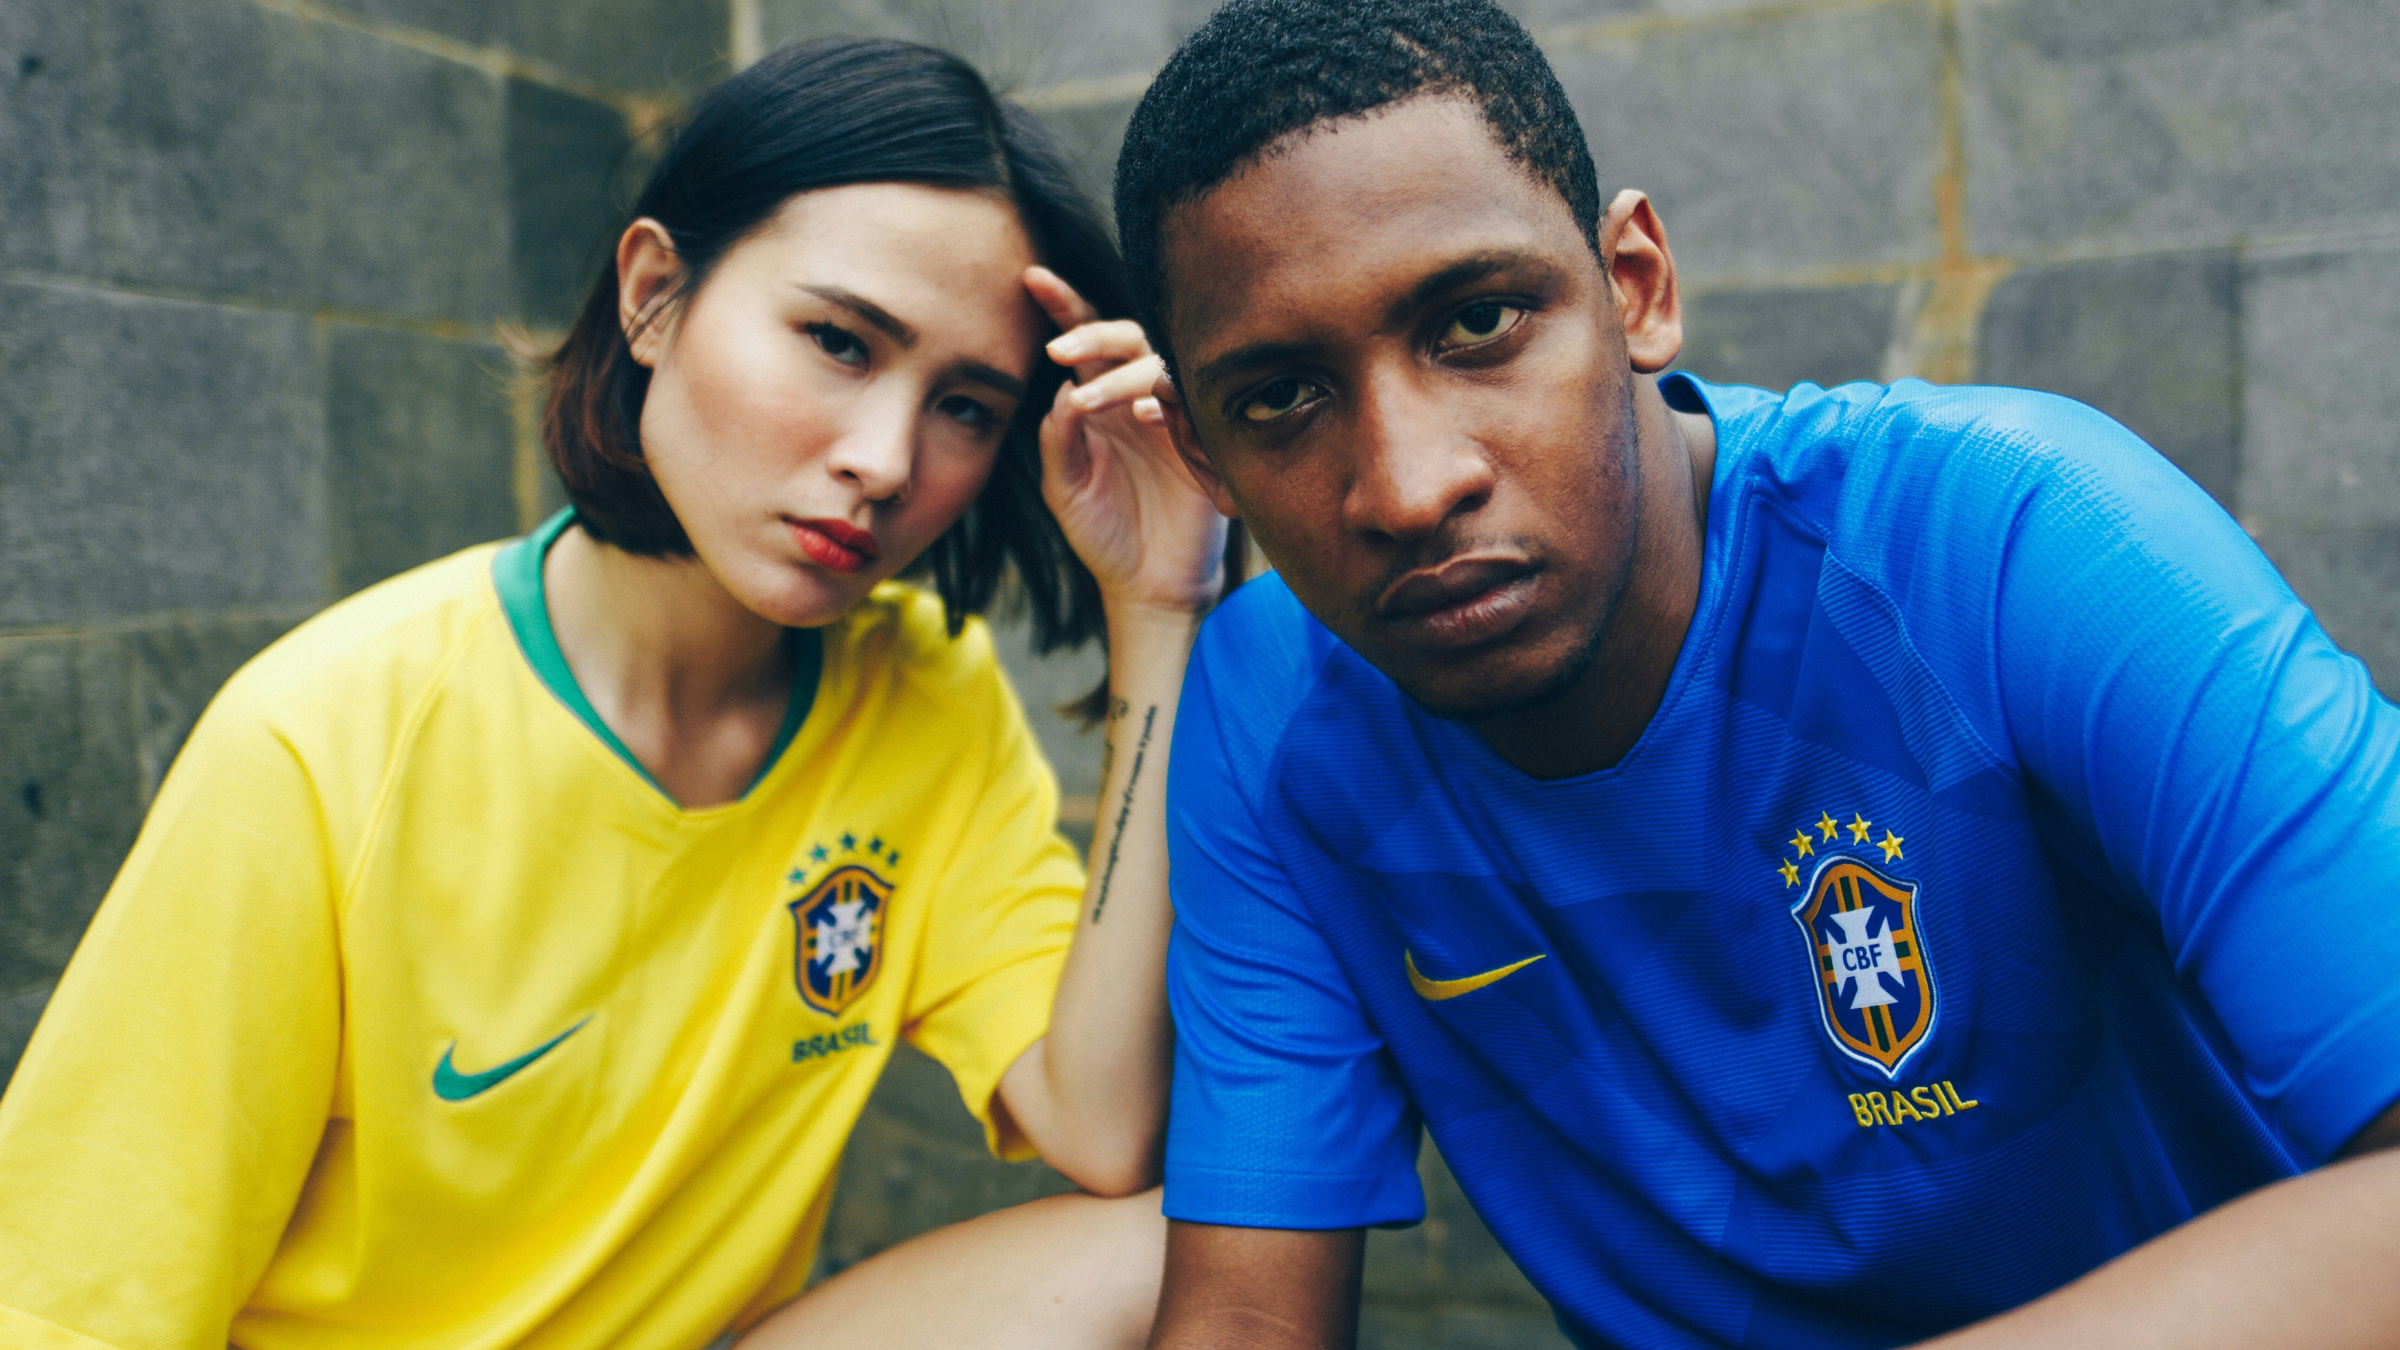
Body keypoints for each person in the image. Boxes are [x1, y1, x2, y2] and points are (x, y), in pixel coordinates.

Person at [1112, 2, 2400, 1347]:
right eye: (1278, 399)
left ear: (1636, 287)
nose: (1408, 484)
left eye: (1480, 320)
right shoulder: (1272, 708)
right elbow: (1249, 1314)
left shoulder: (2010, 538)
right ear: (1205, 459)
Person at [0, 37, 1221, 1350]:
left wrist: (1159, 610)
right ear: (653, 295)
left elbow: (1098, 1123)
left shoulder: (927, 699)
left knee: (1205, 1243)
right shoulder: (324, 738)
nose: (884, 459)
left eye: (968, 406)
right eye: (837, 340)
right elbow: (73, 1306)